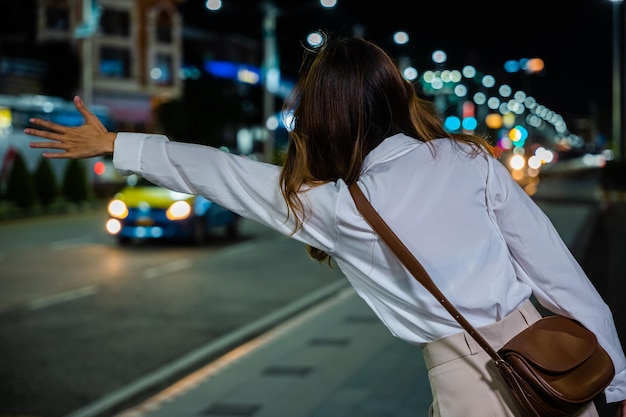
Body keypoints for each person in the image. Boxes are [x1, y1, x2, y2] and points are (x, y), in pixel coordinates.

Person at [25, 33, 625, 417]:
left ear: (325, 117)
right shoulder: (468, 160)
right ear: (392, 95)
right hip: (556, 364)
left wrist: (114, 145)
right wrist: (617, 384)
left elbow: (223, 173)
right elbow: (561, 276)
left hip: (469, 381)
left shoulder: (337, 207)